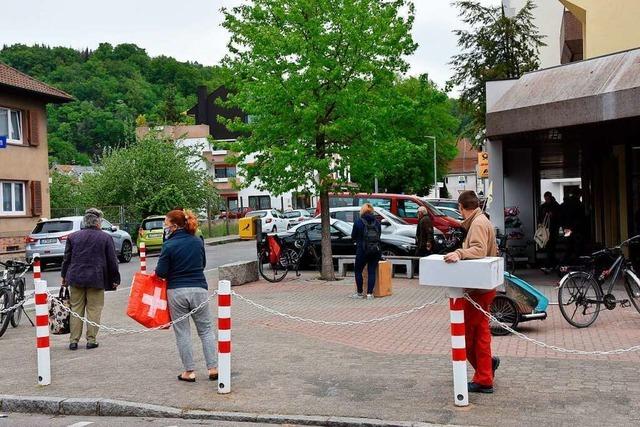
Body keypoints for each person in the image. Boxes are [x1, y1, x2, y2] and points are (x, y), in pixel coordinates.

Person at [444, 191, 499, 394]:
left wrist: (459, 253)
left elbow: (478, 250)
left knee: (470, 336)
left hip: (478, 289)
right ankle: (485, 369)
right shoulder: (481, 220)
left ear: (461, 207)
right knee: (479, 334)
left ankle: (484, 377)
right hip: (483, 287)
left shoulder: (477, 223)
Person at [155, 208, 218, 382]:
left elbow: (161, 272)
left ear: (174, 226)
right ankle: (213, 368)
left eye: (166, 224)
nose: (164, 228)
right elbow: (203, 263)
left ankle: (189, 372)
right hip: (199, 288)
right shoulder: (197, 241)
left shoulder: (168, 245)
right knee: (206, 330)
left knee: (183, 333)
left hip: (177, 291)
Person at [61, 208, 121, 350]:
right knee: (94, 309)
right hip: (96, 278)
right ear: (98, 223)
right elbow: (112, 260)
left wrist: (64, 276)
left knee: (76, 309)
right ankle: (91, 340)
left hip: (75, 277)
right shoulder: (105, 237)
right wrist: (115, 278)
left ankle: (73, 340)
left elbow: (66, 259)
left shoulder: (73, 237)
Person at [350, 203, 382, 300]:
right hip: (375, 250)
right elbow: (379, 235)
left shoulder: (358, 222)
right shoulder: (377, 222)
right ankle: (369, 294)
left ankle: (360, 293)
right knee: (371, 271)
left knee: (358, 271)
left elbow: (353, 236)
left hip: (362, 250)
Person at [538, 191, 561, 272]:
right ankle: (553, 265)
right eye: (546, 199)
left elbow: (559, 217)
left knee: (550, 247)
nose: (546, 200)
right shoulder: (555, 205)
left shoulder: (548, 206)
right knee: (550, 247)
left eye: (547, 198)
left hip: (551, 229)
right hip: (550, 229)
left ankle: (550, 265)